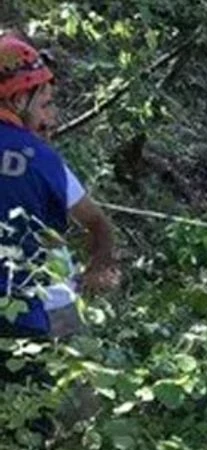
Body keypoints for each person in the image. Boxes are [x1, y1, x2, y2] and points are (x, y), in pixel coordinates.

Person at [0, 34, 117, 344]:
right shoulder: (41, 159)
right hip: (35, 316)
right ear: (18, 101)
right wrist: (97, 268)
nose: (51, 117)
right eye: (45, 104)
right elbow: (97, 223)